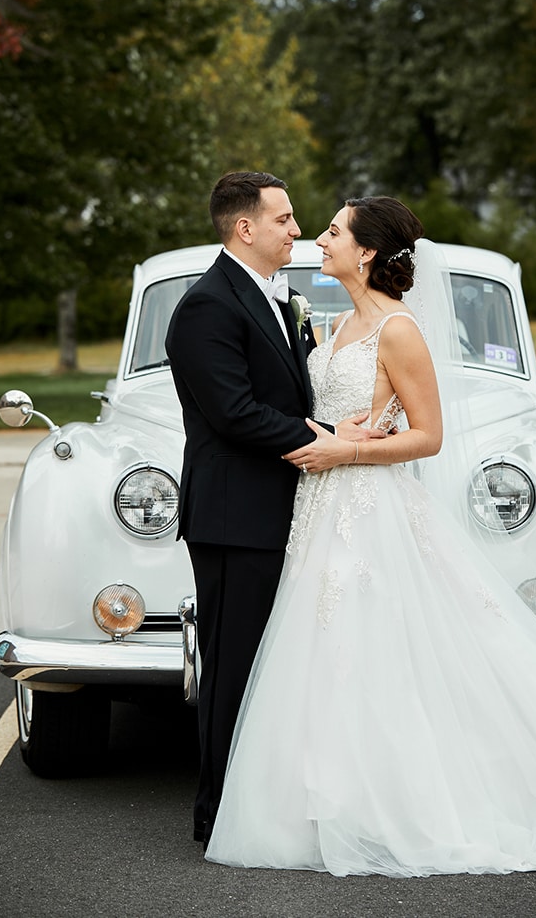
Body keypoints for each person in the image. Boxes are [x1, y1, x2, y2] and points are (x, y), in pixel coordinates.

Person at [204, 196, 536, 881]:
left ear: (364, 253)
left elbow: (428, 436)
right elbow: (325, 413)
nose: (315, 241)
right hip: (319, 509)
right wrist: (329, 437)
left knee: (372, 653)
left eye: (331, 232)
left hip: (370, 508)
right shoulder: (333, 325)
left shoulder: (398, 330)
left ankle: (390, 805)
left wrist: (343, 454)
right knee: (319, 655)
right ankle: (321, 803)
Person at [165, 172, 383, 848]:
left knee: (273, 664)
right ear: (245, 228)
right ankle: (218, 812)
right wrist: (325, 439)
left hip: (283, 509)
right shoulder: (207, 306)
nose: (297, 229)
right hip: (235, 517)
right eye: (285, 219)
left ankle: (265, 801)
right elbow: (232, 413)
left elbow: (284, 398)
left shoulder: (274, 296)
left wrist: (337, 428)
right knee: (233, 667)